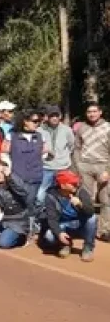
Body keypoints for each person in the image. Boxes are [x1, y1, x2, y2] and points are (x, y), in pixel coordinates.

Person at [72, 102, 110, 240]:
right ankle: (86, 228)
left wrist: (108, 171)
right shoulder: (81, 128)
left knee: (106, 200)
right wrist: (77, 165)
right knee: (86, 200)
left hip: (103, 165)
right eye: (89, 112)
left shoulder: (108, 127)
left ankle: (104, 230)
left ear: (100, 112)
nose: (92, 114)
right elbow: (76, 148)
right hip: (85, 166)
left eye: (94, 111)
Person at [42, 170, 96, 262]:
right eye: (72, 183)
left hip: (80, 225)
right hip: (64, 226)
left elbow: (91, 211)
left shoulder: (81, 192)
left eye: (76, 182)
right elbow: (52, 219)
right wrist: (59, 233)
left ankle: (88, 247)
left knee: (92, 218)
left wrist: (80, 204)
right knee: (49, 236)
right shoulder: (51, 196)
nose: (76, 184)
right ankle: (65, 244)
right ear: (63, 185)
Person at [38, 105, 74, 206]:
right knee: (41, 194)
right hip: (46, 167)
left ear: (60, 116)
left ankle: (62, 215)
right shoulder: (40, 131)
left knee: (64, 193)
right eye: (51, 116)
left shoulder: (67, 130)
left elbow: (71, 146)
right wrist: (45, 151)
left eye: (56, 115)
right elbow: (36, 148)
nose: (54, 118)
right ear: (47, 117)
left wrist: (63, 157)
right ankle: (41, 215)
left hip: (63, 167)